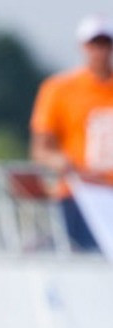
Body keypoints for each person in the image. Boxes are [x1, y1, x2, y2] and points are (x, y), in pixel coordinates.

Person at [30, 14, 113, 251]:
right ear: (83, 47)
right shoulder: (59, 89)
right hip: (80, 195)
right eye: (95, 44)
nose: (101, 51)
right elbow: (41, 148)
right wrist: (63, 163)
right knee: (85, 256)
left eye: (106, 43)